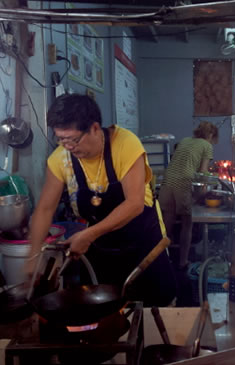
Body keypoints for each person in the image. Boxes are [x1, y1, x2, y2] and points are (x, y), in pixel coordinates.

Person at [26, 94, 176, 307]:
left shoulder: (125, 144)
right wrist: (33, 256)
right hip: (102, 247)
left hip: (144, 244)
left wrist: (88, 234)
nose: (68, 146)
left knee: (156, 307)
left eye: (73, 139)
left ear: (95, 128)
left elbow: (134, 204)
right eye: (61, 139)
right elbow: (44, 209)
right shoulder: (61, 158)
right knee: (104, 311)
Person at [158, 121, 218, 271]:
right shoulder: (207, 146)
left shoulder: (185, 140)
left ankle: (160, 259)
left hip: (168, 179)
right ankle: (183, 261)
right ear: (211, 135)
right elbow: (203, 171)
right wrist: (208, 185)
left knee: (167, 222)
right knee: (187, 223)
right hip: (184, 182)